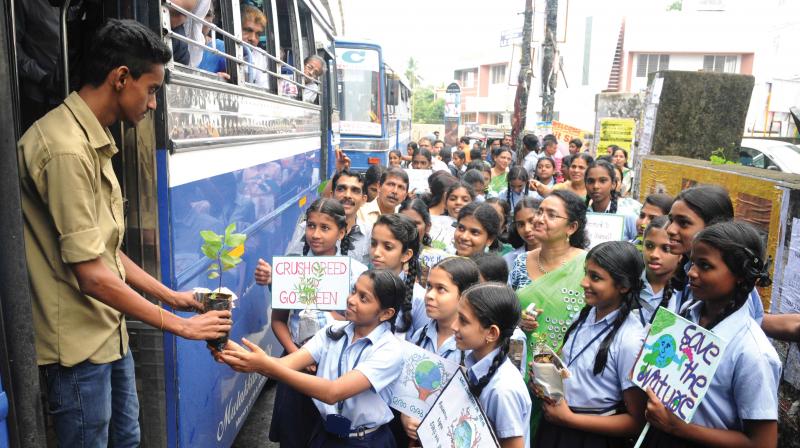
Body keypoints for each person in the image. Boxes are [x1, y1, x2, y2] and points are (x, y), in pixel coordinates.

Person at [18, 19, 231, 447]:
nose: (153, 104)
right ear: (120, 78)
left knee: (128, 440)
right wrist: (180, 326)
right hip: (78, 350)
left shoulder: (89, 139)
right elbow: (92, 275)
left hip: (108, 335)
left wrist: (173, 297)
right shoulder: (63, 148)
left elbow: (107, 252)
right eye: (151, 90)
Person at [219, 270, 406, 447]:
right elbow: (285, 365)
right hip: (324, 434)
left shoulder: (390, 350)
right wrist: (233, 350)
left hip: (364, 440)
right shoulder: (333, 332)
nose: (351, 300)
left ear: (386, 313)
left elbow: (333, 392)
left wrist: (263, 364)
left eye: (363, 298)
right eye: (353, 291)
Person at [640, 222, 780, 448]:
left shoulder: (753, 353)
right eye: (692, 262)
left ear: (740, 277)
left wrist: (679, 427)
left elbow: (763, 443)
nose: (691, 273)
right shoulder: (685, 312)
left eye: (705, 266)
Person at [253, 198, 367, 447]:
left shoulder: (357, 274)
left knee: (328, 435)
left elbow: (361, 324)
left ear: (342, 231)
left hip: (337, 367)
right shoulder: (291, 269)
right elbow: (279, 321)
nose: (315, 234)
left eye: (325, 228)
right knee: (293, 435)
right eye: (311, 226)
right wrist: (297, 356)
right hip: (294, 363)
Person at [533, 241, 647, 447]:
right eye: (586, 273)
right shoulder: (585, 314)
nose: (584, 282)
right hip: (556, 425)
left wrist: (569, 419)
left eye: (595, 277)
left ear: (624, 286)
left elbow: (636, 422)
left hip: (590, 437)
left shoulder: (630, 340)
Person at [400, 257, 482, 443]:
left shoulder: (472, 348)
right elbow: (407, 387)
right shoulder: (419, 335)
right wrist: (406, 415)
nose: (429, 295)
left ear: (464, 296)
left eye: (441, 289)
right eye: (429, 286)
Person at [665, 186, 764, 322]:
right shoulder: (687, 269)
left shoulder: (734, 291)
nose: (670, 229)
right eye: (671, 220)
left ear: (713, 229)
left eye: (683, 223)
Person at [454, 283, 532, 447]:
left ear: (491, 333)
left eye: (463, 321)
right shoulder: (473, 360)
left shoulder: (503, 391)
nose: (454, 326)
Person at [287, 170, 371, 266]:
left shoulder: (370, 234)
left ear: (364, 199)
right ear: (331, 195)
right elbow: (289, 267)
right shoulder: (305, 228)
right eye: (341, 189)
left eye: (355, 191)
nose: (347, 195)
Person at [509, 190, 588, 292]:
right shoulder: (521, 261)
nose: (539, 219)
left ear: (571, 227)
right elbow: (511, 305)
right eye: (539, 212)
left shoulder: (586, 264)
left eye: (551, 215)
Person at [369, 214, 427, 338]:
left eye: (387, 247)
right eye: (374, 244)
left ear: (406, 255)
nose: (376, 252)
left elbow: (423, 352)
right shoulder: (360, 285)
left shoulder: (419, 299)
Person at [636, 216, 682, 324]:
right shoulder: (626, 284)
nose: (654, 255)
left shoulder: (684, 296)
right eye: (649, 246)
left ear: (681, 254)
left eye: (666, 248)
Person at [585, 160, 642, 241]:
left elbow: (638, 244)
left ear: (613, 184)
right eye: (590, 181)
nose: (595, 186)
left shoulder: (627, 216)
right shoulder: (581, 214)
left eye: (602, 181)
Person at [505, 197, 542, 271]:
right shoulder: (508, 260)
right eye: (521, 224)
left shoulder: (565, 256)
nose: (527, 229)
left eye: (531, 221)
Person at [240, 4, 269, 88]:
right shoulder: (216, 48)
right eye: (247, 30)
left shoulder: (261, 57)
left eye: (258, 34)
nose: (253, 38)